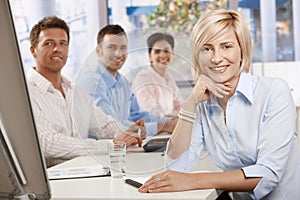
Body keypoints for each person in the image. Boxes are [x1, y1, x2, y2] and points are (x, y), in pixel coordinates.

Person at [138, 9, 300, 199]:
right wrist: (190, 103)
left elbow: (268, 173)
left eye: (226, 46)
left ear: (242, 51)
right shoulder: (203, 104)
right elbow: (176, 166)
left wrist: (195, 180)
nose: (216, 58)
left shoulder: (274, 91)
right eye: (207, 48)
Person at [27, 16, 145, 167]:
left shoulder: (76, 92)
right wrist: (112, 145)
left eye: (63, 43)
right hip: (51, 182)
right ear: (33, 51)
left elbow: (104, 126)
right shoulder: (25, 93)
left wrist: (129, 132)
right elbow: (47, 143)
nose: (57, 49)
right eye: (49, 43)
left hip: (84, 173)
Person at [76, 25, 177, 136]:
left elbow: (138, 115)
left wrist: (170, 121)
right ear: (99, 51)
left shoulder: (122, 81)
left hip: (120, 146)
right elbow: (110, 125)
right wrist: (165, 127)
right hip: (99, 149)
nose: (118, 54)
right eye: (112, 48)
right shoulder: (91, 81)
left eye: (123, 48)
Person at [131, 32, 183, 116]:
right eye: (157, 51)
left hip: (169, 126)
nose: (162, 55)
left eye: (166, 51)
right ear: (150, 56)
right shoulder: (143, 79)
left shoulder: (169, 78)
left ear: (172, 53)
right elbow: (155, 116)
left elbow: (180, 107)